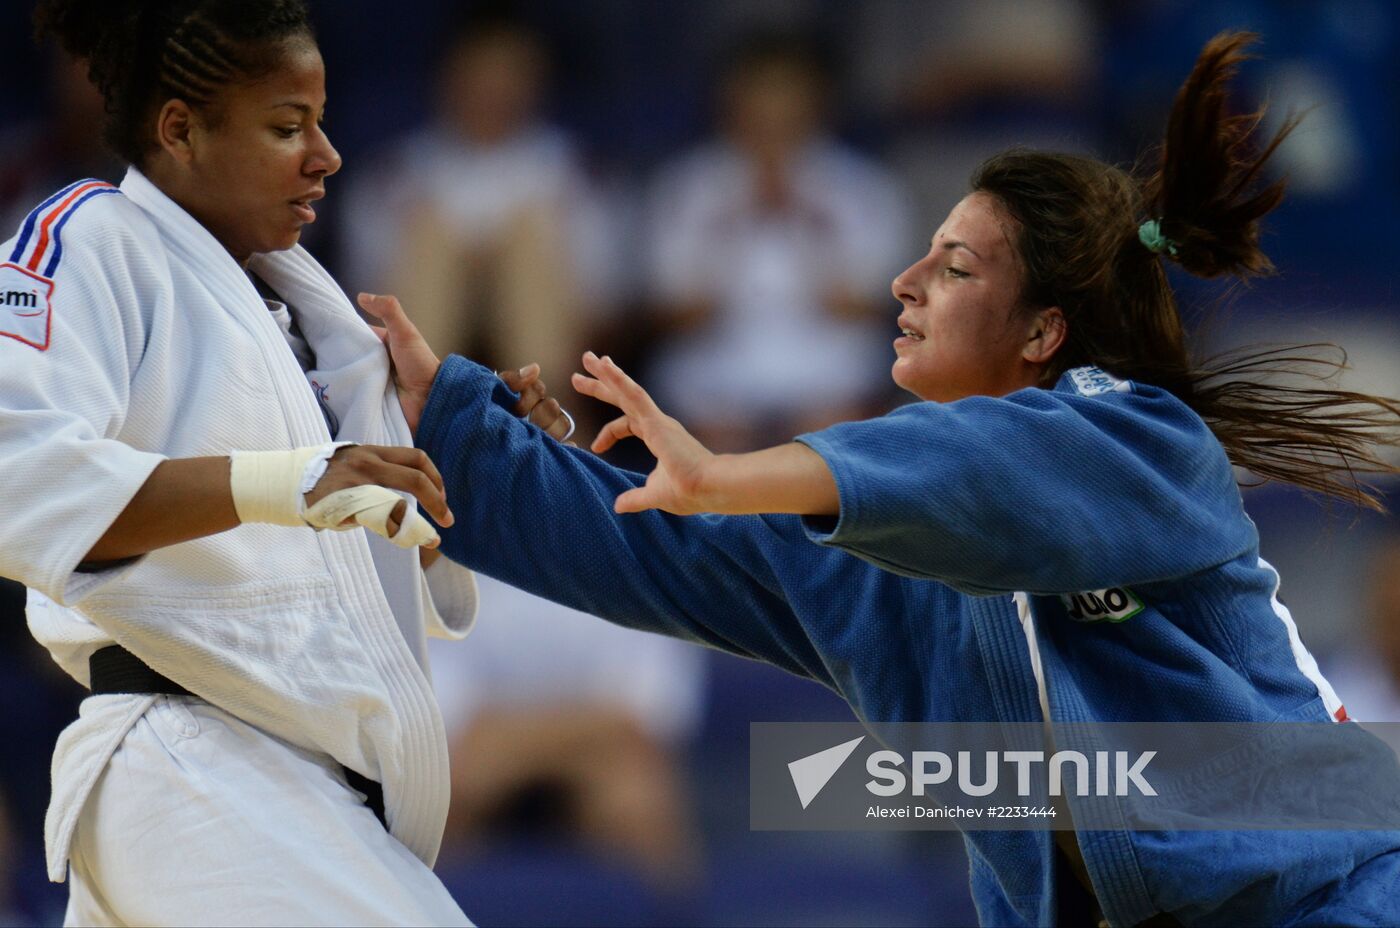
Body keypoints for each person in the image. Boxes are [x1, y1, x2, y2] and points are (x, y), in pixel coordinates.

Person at [366, 33, 1400, 925]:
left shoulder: (1137, 441)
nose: (903, 283)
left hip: (1341, 891)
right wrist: (453, 431)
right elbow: (649, 538)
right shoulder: (879, 554)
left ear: (1044, 329)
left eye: (954, 268)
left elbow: (990, 462)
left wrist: (721, 472)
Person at [6, 2, 565, 925]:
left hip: (287, 787)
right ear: (180, 129)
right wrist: (288, 482)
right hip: (193, 764)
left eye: (320, 119)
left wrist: (483, 467)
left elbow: (367, 564)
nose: (326, 154)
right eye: (285, 126)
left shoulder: (311, 317)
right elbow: (13, 477)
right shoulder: (92, 239)